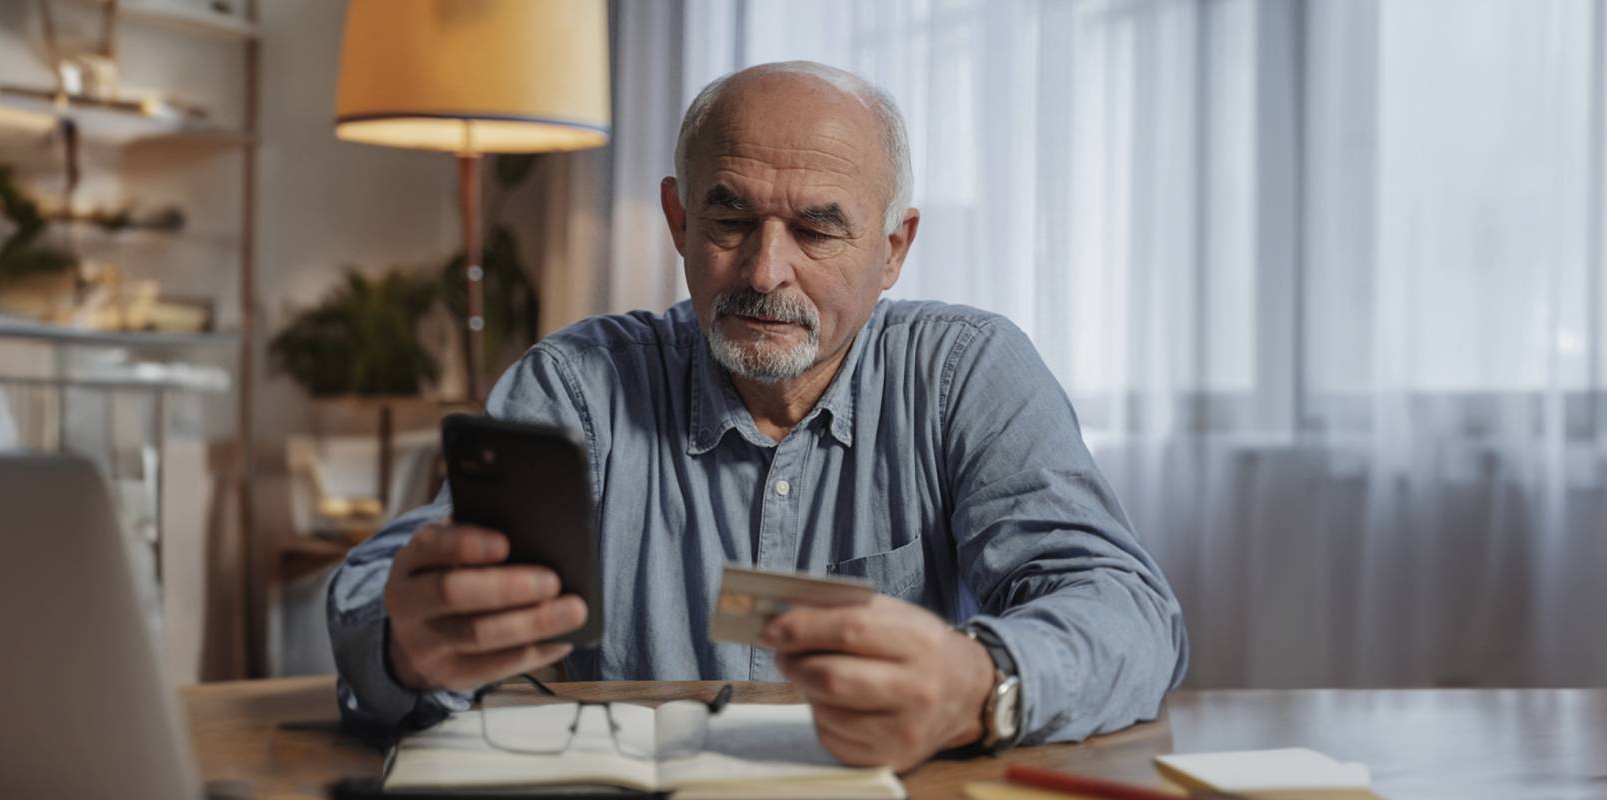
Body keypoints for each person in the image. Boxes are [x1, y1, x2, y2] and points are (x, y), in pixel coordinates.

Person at [328, 61, 1187, 771]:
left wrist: (983, 681)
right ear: (677, 219)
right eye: (731, 217)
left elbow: (1126, 610)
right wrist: (410, 644)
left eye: (818, 231)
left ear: (893, 250)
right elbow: (380, 587)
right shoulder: (579, 386)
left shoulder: (967, 374)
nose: (765, 270)